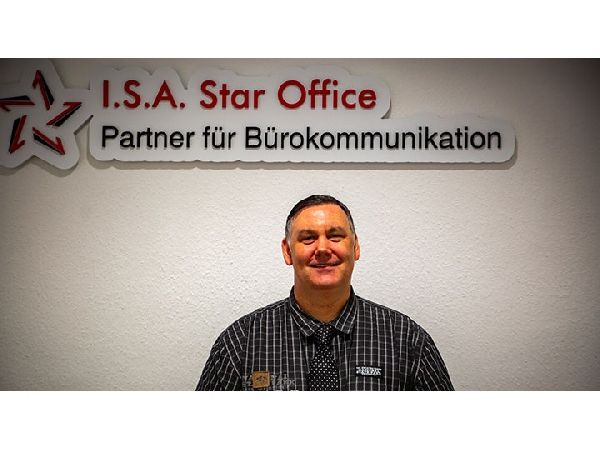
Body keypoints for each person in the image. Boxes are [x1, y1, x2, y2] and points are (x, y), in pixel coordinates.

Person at [196, 195, 453, 390]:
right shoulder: (240, 342)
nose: (322, 249)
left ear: (355, 247)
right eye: (308, 238)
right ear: (287, 251)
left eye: (335, 236)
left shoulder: (407, 341)